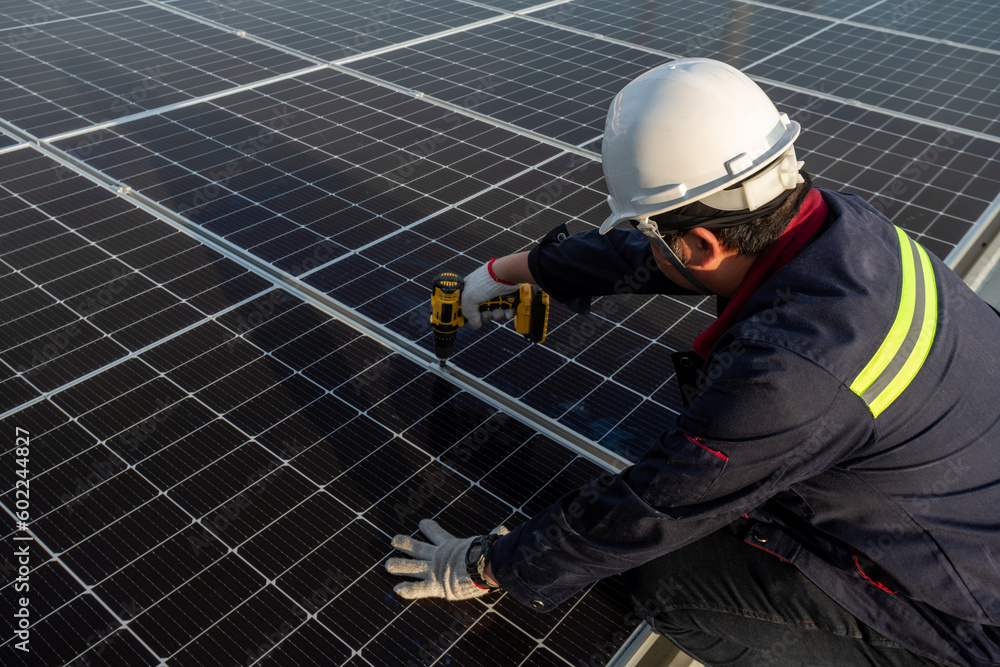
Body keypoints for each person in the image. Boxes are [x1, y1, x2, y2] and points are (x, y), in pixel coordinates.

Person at [385, 58, 1000, 667]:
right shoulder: (844, 228)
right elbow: (662, 256)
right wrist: (510, 271)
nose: (653, 244)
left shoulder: (788, 379)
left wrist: (490, 566)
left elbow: (656, 506)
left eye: (655, 230)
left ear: (700, 242)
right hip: (963, 495)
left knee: (668, 580)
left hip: (967, 613)